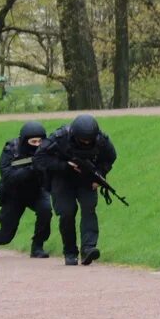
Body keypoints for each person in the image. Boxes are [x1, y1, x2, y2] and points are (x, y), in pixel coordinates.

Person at [33, 114, 117, 266]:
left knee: (89, 208)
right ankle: (70, 251)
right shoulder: (59, 137)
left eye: (89, 140)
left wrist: (100, 175)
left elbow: (110, 157)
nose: (86, 142)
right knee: (67, 212)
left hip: (87, 178)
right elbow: (39, 158)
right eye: (83, 140)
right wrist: (64, 166)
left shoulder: (101, 140)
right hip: (62, 179)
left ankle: (88, 248)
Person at [0, 121, 52, 259]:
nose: (37, 144)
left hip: (37, 191)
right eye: (33, 141)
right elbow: (8, 176)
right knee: (6, 236)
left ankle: (37, 246)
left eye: (40, 141)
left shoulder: (47, 150)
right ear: (24, 140)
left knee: (46, 210)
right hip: (13, 194)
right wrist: (32, 168)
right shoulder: (11, 150)